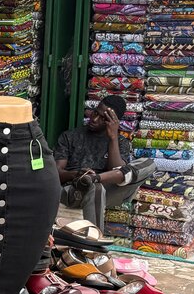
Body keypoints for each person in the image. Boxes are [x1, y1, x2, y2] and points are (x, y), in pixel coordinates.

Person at [54, 94, 142, 227]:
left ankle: (95, 179)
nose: (94, 119)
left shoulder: (120, 142)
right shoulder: (70, 137)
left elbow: (118, 172)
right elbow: (56, 173)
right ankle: (95, 236)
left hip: (106, 190)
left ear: (114, 122)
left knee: (147, 164)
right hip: (74, 190)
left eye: (103, 118)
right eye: (95, 113)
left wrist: (113, 137)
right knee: (96, 188)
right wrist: (77, 174)